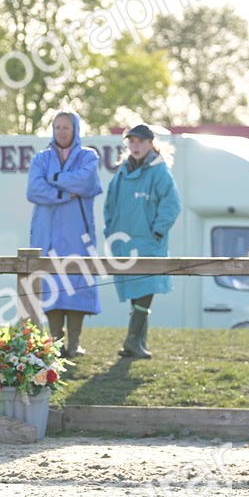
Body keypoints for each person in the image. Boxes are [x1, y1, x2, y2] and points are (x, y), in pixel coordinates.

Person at [26, 110, 102, 357]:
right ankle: (56, 343)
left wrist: (55, 178)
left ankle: (74, 343)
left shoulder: (88, 156)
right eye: (57, 127)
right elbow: (34, 190)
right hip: (47, 232)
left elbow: (84, 181)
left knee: (77, 285)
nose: (61, 131)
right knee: (50, 286)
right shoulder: (41, 158)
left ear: (75, 130)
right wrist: (61, 193)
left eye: (65, 127)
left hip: (77, 232)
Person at [103, 124, 182, 360]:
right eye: (132, 142)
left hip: (148, 241)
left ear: (151, 143)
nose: (136, 147)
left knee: (147, 289)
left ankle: (132, 340)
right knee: (138, 293)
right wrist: (110, 229)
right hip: (124, 241)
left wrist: (157, 232)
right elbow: (110, 203)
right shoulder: (122, 171)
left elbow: (171, 204)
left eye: (140, 142)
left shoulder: (159, 171)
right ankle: (137, 344)